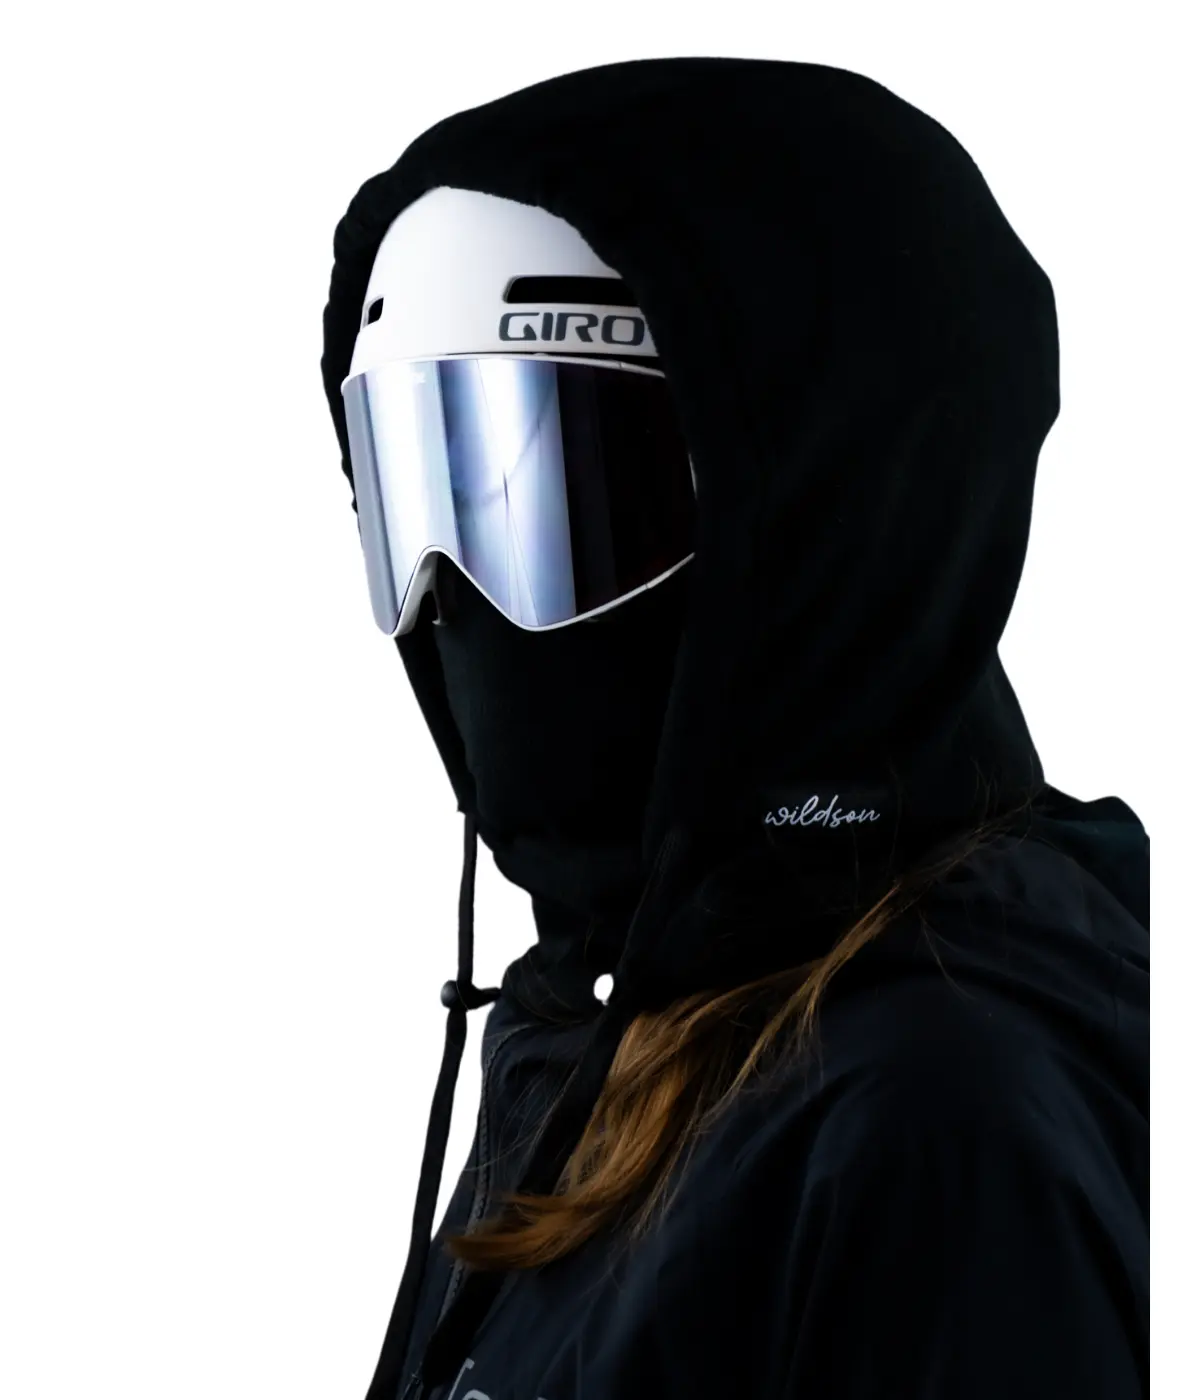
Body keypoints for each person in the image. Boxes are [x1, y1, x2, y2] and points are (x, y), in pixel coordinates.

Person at [320, 56, 1148, 1400]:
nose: (446, 600)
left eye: (554, 496)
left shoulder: (937, 1123)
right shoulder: (596, 1007)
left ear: (823, 525)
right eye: (416, 492)